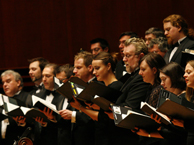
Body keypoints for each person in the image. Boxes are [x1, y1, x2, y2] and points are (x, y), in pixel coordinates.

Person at [70, 51, 123, 145]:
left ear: (108, 66)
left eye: (97, 68)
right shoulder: (106, 87)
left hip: (111, 138)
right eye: (94, 69)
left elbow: (104, 117)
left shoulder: (115, 87)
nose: (94, 72)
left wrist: (81, 107)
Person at [59, 51, 95, 145]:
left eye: (78, 68)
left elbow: (98, 117)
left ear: (90, 68)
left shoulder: (96, 86)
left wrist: (74, 115)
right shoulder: (77, 86)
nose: (74, 71)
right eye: (74, 67)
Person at [0, 70, 30, 145]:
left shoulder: (27, 98)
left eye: (8, 81)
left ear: (18, 82)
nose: (4, 85)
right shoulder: (2, 100)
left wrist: (23, 123)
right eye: (3, 82)